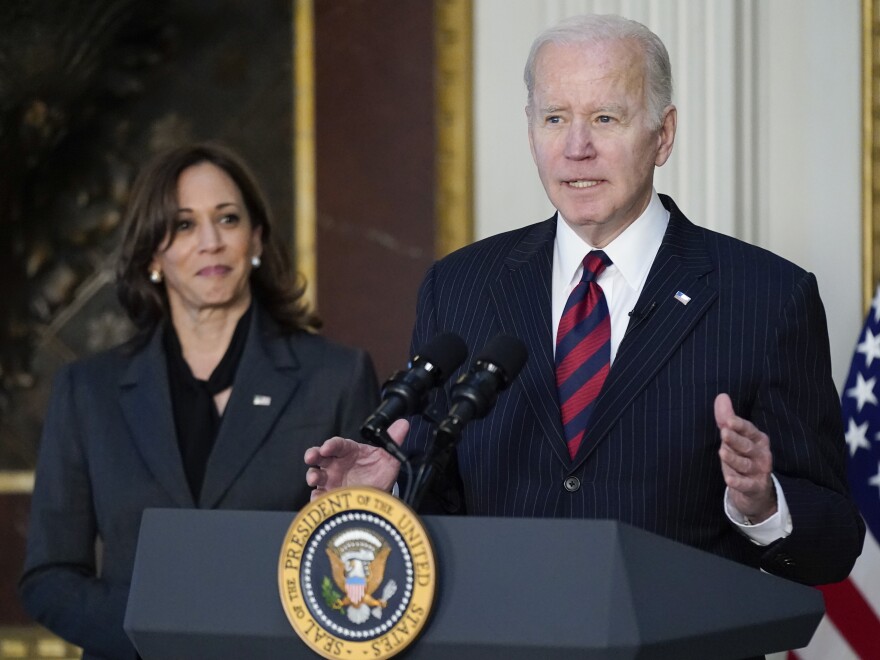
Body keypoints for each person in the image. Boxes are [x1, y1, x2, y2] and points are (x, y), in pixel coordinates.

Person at [306, 14, 865, 587]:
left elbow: (835, 542)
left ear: (663, 135)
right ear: (531, 134)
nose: (577, 148)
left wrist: (762, 504)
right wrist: (389, 493)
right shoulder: (460, 287)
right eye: (555, 119)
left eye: (605, 118)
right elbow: (439, 503)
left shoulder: (767, 298)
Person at [20, 142, 379, 659]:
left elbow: (365, 557)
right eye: (184, 225)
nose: (210, 242)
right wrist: (159, 631)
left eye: (227, 219)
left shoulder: (336, 377)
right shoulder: (88, 392)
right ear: (152, 255)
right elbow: (50, 577)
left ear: (255, 238)